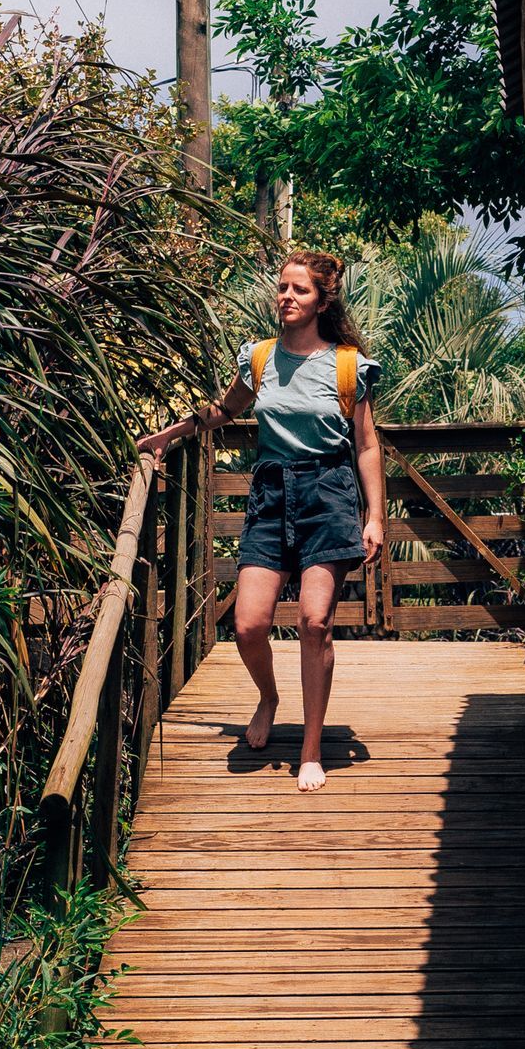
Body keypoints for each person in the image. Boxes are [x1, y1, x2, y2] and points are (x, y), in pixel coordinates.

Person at [138, 250, 384, 792]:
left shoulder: (347, 365)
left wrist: (376, 517)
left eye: (299, 290)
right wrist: (169, 435)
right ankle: (269, 698)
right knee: (249, 624)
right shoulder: (260, 358)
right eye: (282, 288)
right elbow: (222, 413)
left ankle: (312, 748)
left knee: (314, 622)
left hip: (328, 494)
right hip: (270, 494)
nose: (287, 297)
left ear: (323, 300)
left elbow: (366, 446)